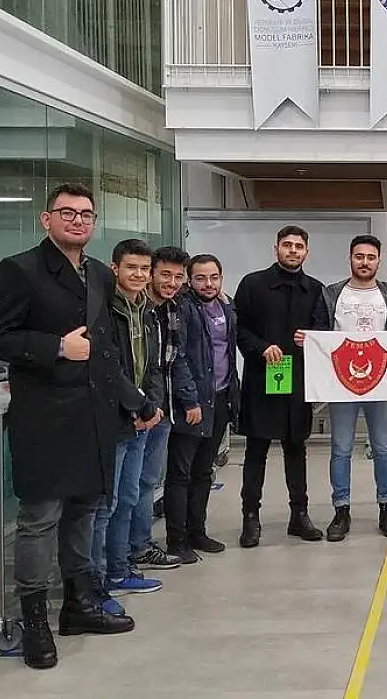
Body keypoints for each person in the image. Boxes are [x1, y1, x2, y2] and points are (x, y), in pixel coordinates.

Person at [0, 183, 134, 670]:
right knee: (40, 518)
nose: (78, 220)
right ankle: (33, 619)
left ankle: (78, 604)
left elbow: (105, 348)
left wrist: (133, 401)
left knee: (84, 510)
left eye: (86, 214)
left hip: (93, 413)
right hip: (44, 414)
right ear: (47, 220)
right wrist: (56, 347)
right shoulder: (20, 270)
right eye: (68, 212)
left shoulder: (100, 274)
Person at [311, 234, 387, 541]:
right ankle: (341, 509)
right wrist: (309, 339)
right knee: (341, 448)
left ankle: (386, 507)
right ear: (350, 258)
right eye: (359, 256)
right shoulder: (332, 294)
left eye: (370, 257)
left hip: (380, 383)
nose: (365, 262)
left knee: (382, 447)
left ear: (378, 260)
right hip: (341, 384)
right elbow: (319, 331)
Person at [233, 226, 326, 547]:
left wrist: (311, 337)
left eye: (299, 246)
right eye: (287, 245)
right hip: (262, 379)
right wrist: (260, 348)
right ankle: (250, 518)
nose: (293, 250)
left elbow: (324, 330)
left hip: (298, 381)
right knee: (256, 450)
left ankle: (299, 515)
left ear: (306, 252)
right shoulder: (252, 284)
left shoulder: (316, 290)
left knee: (296, 449)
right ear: (276, 249)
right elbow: (239, 329)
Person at [96, 240, 167, 602]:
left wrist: (151, 406)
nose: (139, 275)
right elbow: (108, 368)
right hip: (114, 420)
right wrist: (137, 407)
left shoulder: (147, 312)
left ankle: (119, 569)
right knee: (105, 506)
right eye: (131, 268)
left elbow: (152, 366)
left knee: (128, 498)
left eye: (144, 269)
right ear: (115, 269)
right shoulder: (105, 311)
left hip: (140, 419)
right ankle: (99, 581)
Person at [166, 254, 242, 563]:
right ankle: (177, 540)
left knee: (203, 471)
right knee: (181, 473)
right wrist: (189, 400)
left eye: (214, 277)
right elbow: (178, 356)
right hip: (193, 404)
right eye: (200, 278)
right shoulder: (182, 308)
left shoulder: (226, 307)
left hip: (219, 400)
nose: (208, 284)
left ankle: (197, 531)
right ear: (189, 279)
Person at [129, 246, 193, 573]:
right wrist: (144, 407)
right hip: (138, 412)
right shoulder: (137, 310)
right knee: (128, 488)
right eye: (165, 274)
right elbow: (141, 368)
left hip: (162, 411)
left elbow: (174, 360)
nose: (171, 282)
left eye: (178, 277)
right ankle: (126, 553)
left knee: (148, 482)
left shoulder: (173, 309)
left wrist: (188, 400)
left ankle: (140, 545)